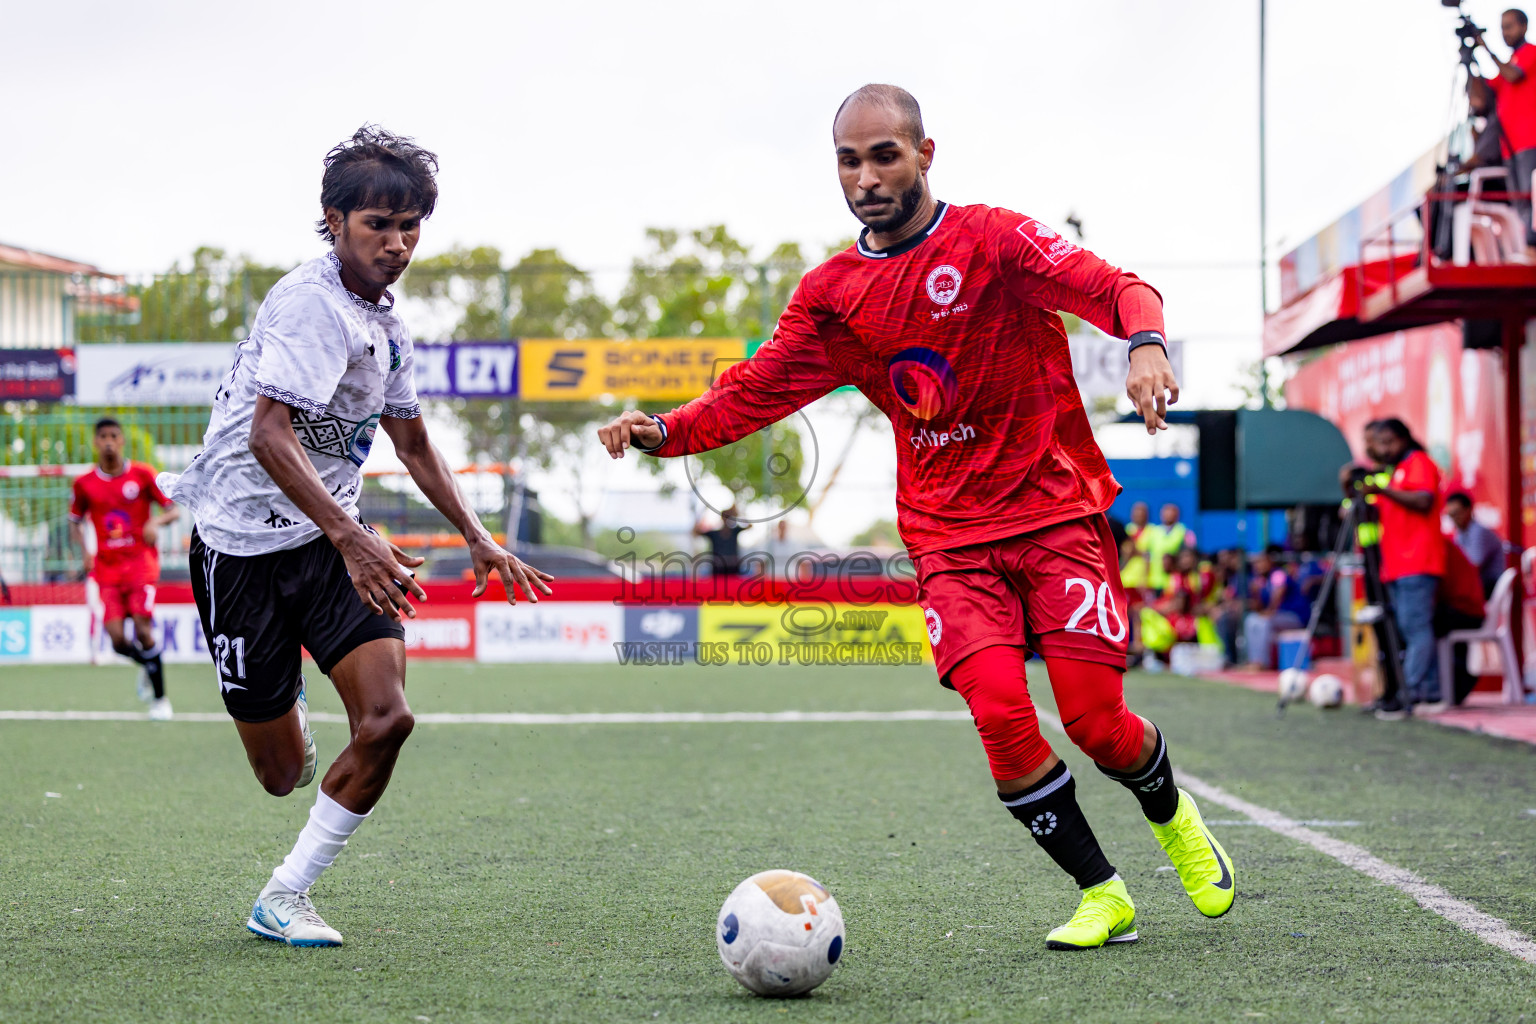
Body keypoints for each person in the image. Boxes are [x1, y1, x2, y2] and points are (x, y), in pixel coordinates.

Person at [597, 84, 1233, 951]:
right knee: (1002, 718)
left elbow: (1114, 287)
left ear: (925, 155)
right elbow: (754, 390)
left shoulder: (994, 240)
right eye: (848, 161)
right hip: (948, 539)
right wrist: (663, 431)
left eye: (884, 155)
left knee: (1093, 722)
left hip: (1052, 515)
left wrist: (1146, 344)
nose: (865, 177)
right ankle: (1102, 893)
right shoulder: (832, 294)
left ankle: (1172, 816)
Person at [160, 127, 552, 948]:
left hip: (331, 540)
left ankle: (285, 892)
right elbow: (271, 437)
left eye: (411, 226)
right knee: (277, 774)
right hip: (238, 550)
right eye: (379, 224)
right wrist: (351, 537)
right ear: (333, 221)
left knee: (388, 718)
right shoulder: (310, 306)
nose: (398, 244)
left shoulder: (387, 323)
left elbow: (411, 443)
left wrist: (477, 536)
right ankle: (284, 702)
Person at [69, 417, 179, 720]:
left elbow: (173, 510)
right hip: (106, 570)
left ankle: (161, 701)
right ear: (95, 441)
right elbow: (74, 522)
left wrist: (155, 522)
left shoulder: (142, 475)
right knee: (116, 639)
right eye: (102, 436)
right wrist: (85, 551)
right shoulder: (84, 484)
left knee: (144, 628)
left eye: (113, 436)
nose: (108, 441)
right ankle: (148, 665)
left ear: (121, 441)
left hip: (140, 565)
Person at [1360, 418, 1447, 712]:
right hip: (1397, 565)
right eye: (1379, 443)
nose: (1383, 449)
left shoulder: (1419, 462)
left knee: (1416, 628)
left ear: (1404, 439)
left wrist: (1382, 491)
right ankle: (1430, 693)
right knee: (1410, 630)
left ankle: (1409, 693)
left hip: (1418, 562)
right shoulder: (1395, 471)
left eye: (1388, 442)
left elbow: (1423, 501)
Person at [1469, 9, 1536, 246]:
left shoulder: (1530, 53)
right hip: (1509, 146)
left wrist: (1486, 49)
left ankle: (1532, 244)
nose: (1505, 33)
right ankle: (1527, 246)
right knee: (1519, 201)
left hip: (1530, 141)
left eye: (1509, 26)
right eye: (1502, 28)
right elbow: (1483, 98)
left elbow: (1513, 76)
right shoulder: (1508, 63)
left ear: (1524, 27)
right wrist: (1470, 64)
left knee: (1531, 197)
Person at [1242, 545, 1309, 670]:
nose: (1257, 565)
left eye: (1261, 562)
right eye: (1256, 563)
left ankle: (1262, 663)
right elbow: (1259, 607)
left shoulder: (1278, 574)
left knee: (1263, 623)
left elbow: (1275, 601)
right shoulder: (1261, 580)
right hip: (1277, 617)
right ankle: (1253, 660)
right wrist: (1255, 593)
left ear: (1269, 561)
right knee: (1250, 620)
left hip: (1295, 616)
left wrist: (1267, 613)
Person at [1445, 491, 1507, 597]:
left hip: (1492, 584)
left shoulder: (1479, 532)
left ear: (1469, 510)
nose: (1454, 519)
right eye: (1451, 515)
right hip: (1479, 582)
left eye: (1457, 513)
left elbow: (1473, 567)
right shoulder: (1460, 533)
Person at [1137, 502, 1195, 592]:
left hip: (1175, 582)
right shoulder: (1153, 532)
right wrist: (1144, 579)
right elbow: (1147, 557)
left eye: (1172, 511)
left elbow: (1189, 557)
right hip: (1154, 581)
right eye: (1166, 511)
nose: (1169, 514)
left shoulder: (1185, 533)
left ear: (1177, 514)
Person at [695, 504, 750, 576]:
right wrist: (703, 512)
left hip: (733, 568)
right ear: (721, 518)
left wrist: (739, 514)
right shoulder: (714, 534)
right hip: (718, 568)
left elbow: (749, 526)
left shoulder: (735, 531)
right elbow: (697, 532)